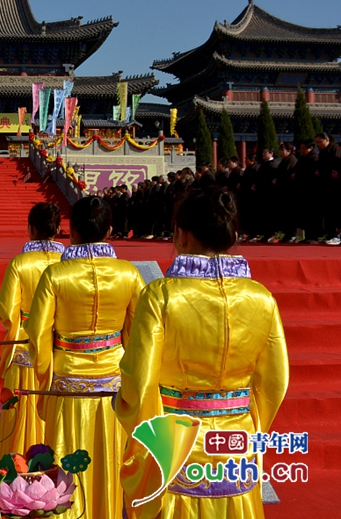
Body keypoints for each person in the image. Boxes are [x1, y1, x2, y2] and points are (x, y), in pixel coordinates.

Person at [116, 187, 289, 519]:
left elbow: (139, 382)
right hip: (238, 441)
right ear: (231, 234)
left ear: (180, 233)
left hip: (177, 445)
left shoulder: (161, 296)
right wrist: (252, 429)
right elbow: (274, 383)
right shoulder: (261, 298)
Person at [26, 196, 145, 518]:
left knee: (66, 458)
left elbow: (37, 334)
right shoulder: (129, 274)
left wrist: (43, 373)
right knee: (110, 457)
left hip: (67, 378)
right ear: (109, 230)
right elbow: (138, 337)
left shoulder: (56, 275)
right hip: (114, 381)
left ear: (72, 230)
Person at [0, 202, 65, 463]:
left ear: (31, 229)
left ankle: (14, 463)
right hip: (58, 344)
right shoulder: (68, 264)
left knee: (19, 406)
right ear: (58, 229)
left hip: (24, 342)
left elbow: (6, 310)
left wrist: (17, 324)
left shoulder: (20, 263)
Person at [315, 132, 341, 244]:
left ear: (326, 139)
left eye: (320, 142)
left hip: (333, 185)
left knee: (333, 211)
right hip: (324, 184)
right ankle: (329, 234)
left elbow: (336, 164)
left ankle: (336, 234)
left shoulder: (334, 148)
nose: (319, 144)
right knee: (326, 211)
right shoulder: (323, 151)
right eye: (317, 143)